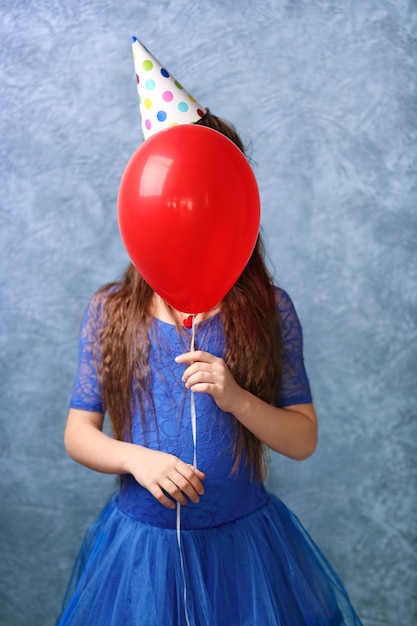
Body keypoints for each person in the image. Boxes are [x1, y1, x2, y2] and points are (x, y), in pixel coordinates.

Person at [56, 39, 363, 626]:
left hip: (243, 552)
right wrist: (136, 460)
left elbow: (301, 440)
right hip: (142, 554)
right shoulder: (112, 312)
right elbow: (78, 433)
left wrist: (235, 396)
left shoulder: (269, 310)